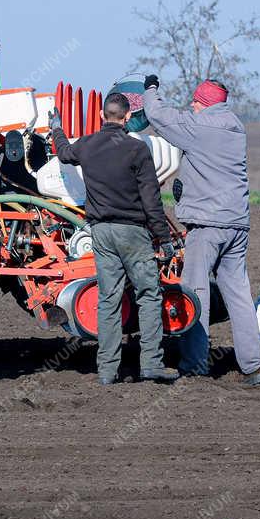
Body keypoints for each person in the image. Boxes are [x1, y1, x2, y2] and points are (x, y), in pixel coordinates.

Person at [142, 76, 260, 386]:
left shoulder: (199, 128)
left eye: (196, 103)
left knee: (195, 291)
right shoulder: (236, 128)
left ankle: (195, 363)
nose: (192, 107)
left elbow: (158, 115)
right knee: (238, 295)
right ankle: (254, 367)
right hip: (237, 224)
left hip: (207, 225)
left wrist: (151, 89)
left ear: (206, 104)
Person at [49, 94, 178, 385]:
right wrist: (164, 238)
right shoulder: (137, 149)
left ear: (100, 114)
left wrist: (56, 128)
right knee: (148, 295)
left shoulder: (88, 144)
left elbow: (64, 153)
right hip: (132, 232)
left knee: (108, 299)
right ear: (128, 115)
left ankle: (107, 371)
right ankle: (151, 364)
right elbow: (151, 200)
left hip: (101, 233)